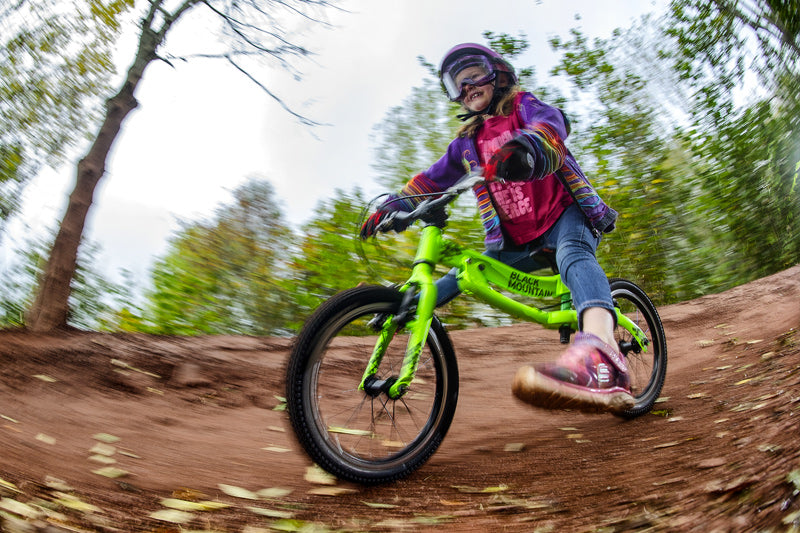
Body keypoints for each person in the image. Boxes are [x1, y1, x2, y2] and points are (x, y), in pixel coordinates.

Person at [360, 43, 634, 415]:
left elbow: (553, 123)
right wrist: (394, 204)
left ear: (498, 74)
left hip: (565, 215)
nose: (468, 86)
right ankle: (405, 307)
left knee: (574, 254)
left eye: (474, 75)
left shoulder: (522, 106)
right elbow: (431, 180)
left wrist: (528, 145)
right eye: (458, 84)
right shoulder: (466, 144)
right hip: (516, 242)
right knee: (467, 271)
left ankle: (603, 357)